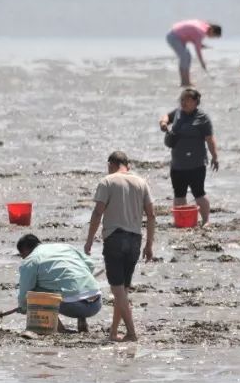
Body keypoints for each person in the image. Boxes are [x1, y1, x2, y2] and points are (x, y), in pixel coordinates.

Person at [84, 151, 156, 342]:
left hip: (115, 239)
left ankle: (131, 333)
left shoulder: (107, 181)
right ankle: (114, 333)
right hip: (135, 239)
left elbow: (98, 212)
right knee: (122, 290)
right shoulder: (141, 182)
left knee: (117, 290)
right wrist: (149, 245)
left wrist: (89, 240)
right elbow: (151, 215)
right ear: (127, 165)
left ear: (110, 164)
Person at [16, 234, 103, 332]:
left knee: (33, 292)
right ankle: (82, 320)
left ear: (24, 250)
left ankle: (60, 329)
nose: (23, 258)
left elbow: (25, 292)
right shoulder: (66, 247)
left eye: (22, 256)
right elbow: (90, 265)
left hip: (73, 306)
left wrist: (23, 307)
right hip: (96, 301)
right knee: (77, 283)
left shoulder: (31, 260)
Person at [159, 87, 219, 225]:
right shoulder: (178, 113)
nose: (183, 102)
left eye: (186, 100)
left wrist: (215, 157)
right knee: (179, 194)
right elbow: (166, 117)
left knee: (199, 193)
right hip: (177, 164)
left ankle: (205, 221)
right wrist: (163, 123)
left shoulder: (202, 118)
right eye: (182, 99)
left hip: (196, 164)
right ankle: (182, 222)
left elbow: (210, 140)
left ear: (195, 102)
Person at [166, 19, 222, 87]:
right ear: (212, 30)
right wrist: (202, 63)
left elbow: (193, 37)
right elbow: (197, 50)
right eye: (214, 36)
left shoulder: (203, 25)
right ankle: (184, 82)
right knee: (185, 57)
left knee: (187, 56)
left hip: (176, 35)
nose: (212, 38)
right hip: (174, 37)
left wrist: (200, 45)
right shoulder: (201, 32)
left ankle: (186, 81)